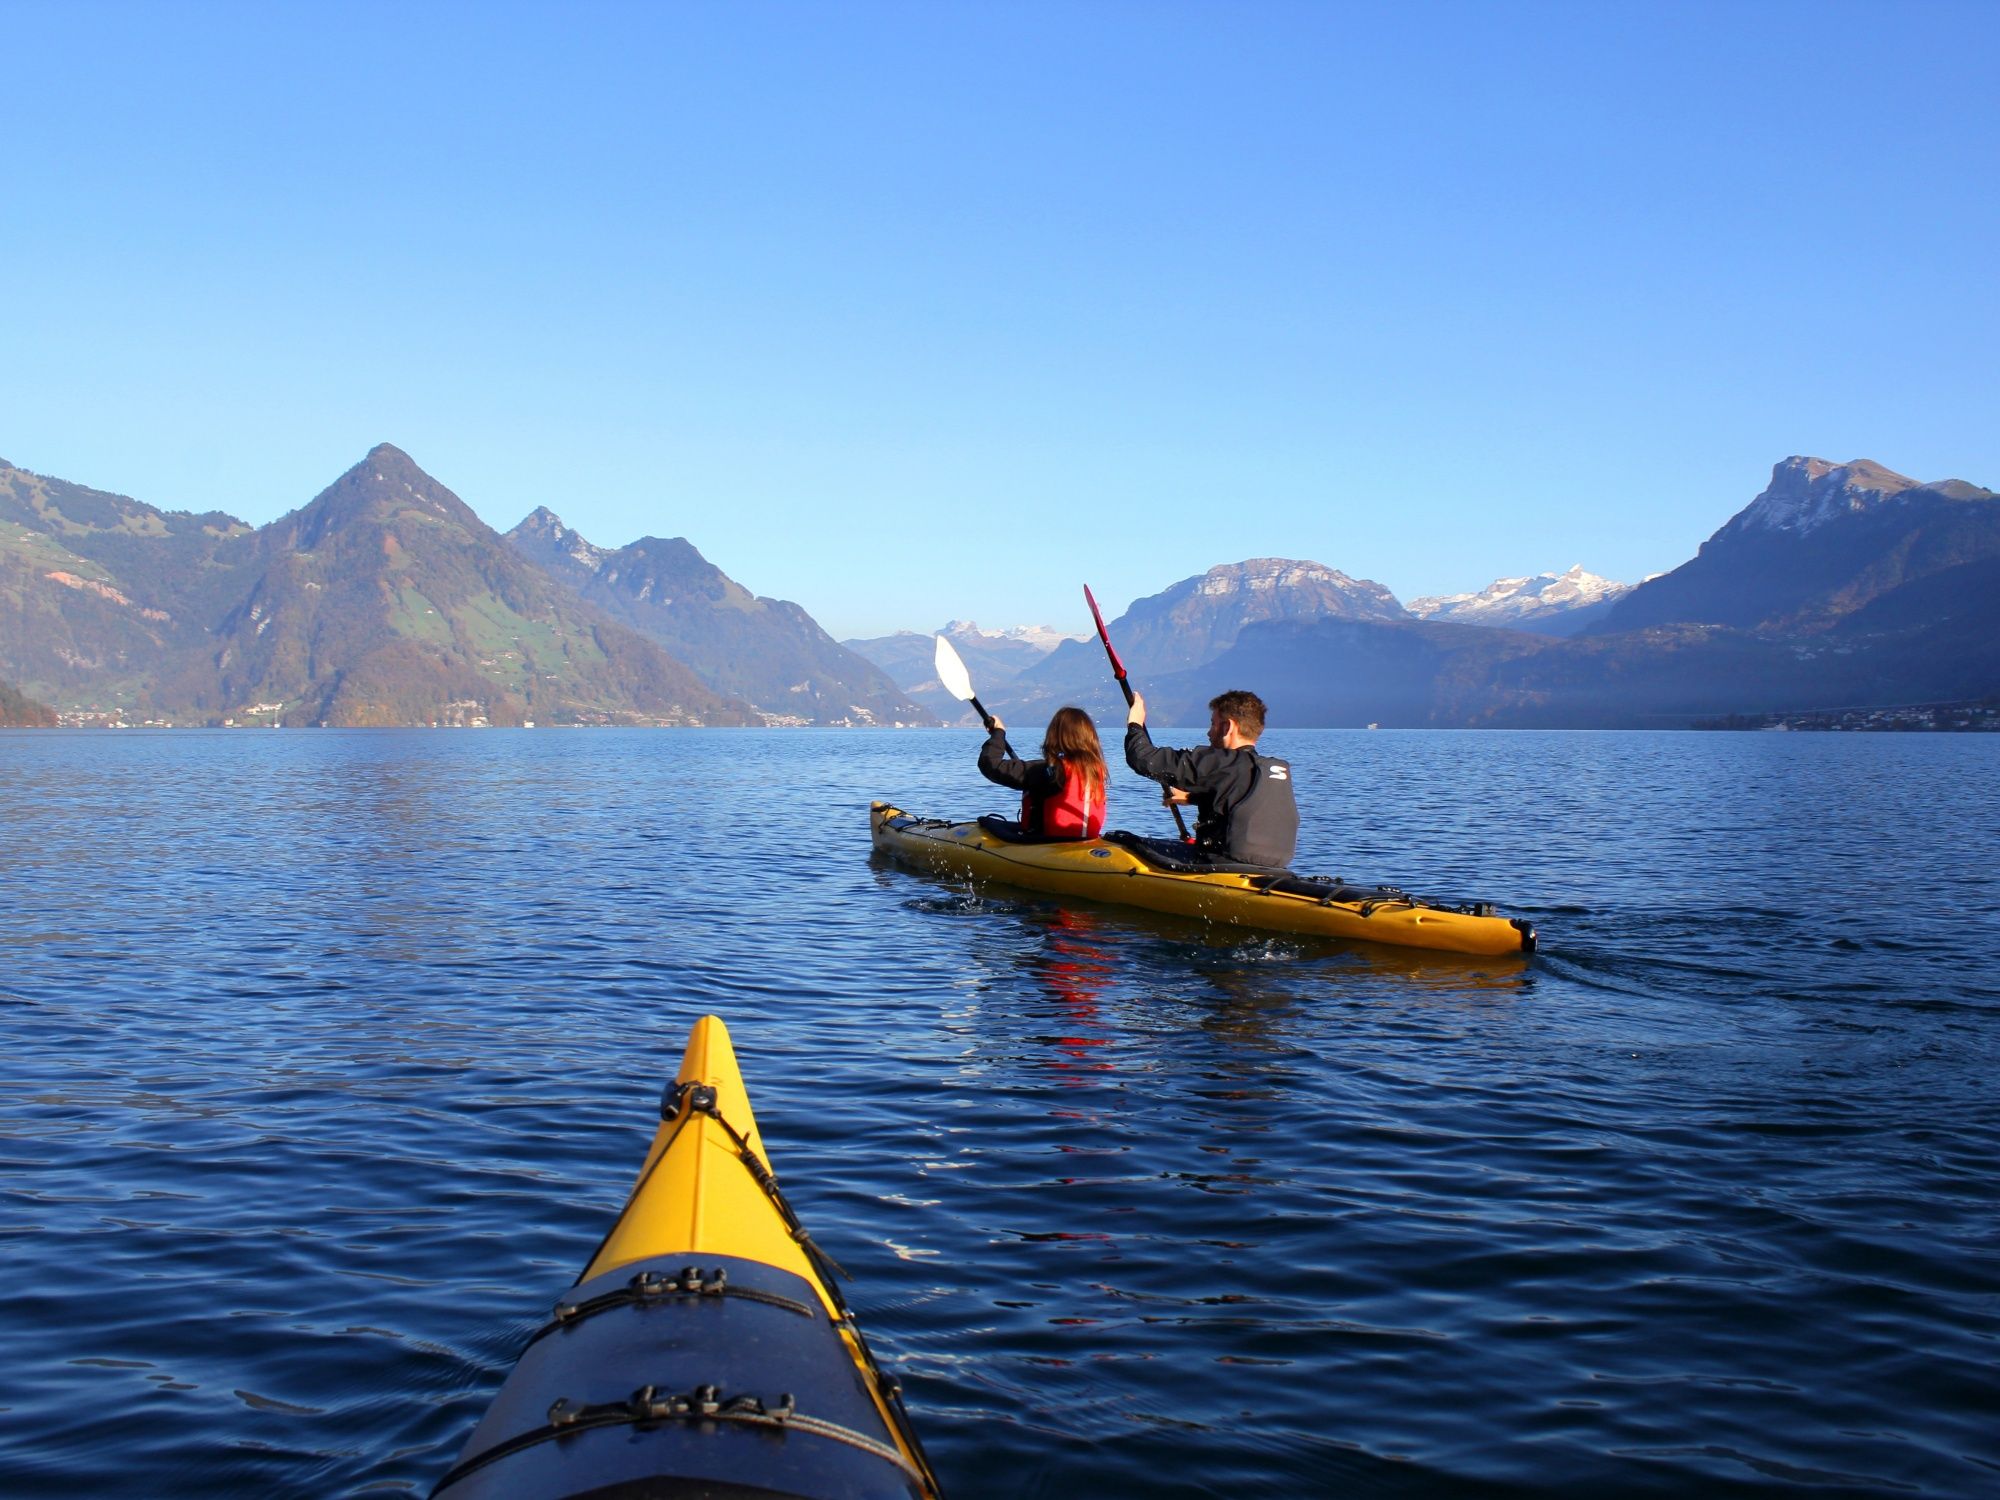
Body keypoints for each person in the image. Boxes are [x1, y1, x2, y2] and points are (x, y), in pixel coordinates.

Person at [1124, 688, 1298, 867]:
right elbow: (1240, 802)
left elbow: (1142, 759)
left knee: (1122, 842)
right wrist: (1192, 797)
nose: (1208, 733)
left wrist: (1135, 722)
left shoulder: (1222, 762)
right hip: (1273, 868)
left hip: (1220, 864)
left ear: (1227, 727)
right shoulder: (1272, 769)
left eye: (1213, 724)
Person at [978, 706, 1108, 839]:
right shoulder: (1096, 772)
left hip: (1049, 844)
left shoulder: (1047, 771)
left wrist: (998, 734)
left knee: (984, 823)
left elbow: (990, 764)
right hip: (1087, 842)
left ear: (1054, 736)